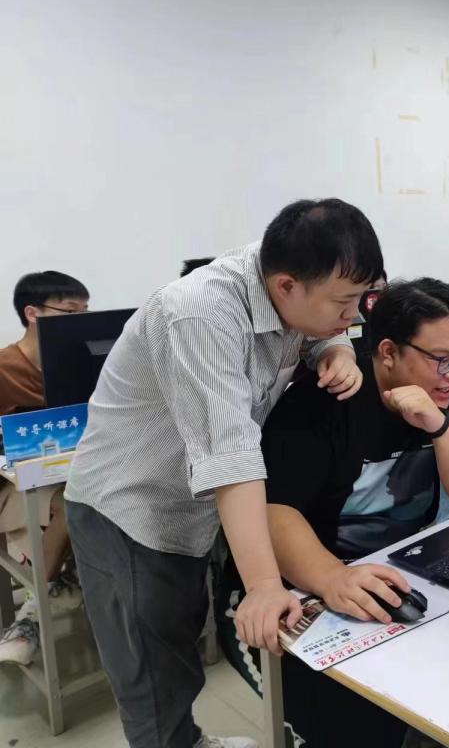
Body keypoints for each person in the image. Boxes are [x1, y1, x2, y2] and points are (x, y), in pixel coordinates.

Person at [63, 198, 378, 748]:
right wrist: (264, 587)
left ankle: (188, 740)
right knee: (151, 669)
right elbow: (231, 457)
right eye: (345, 304)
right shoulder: (200, 314)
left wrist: (336, 350)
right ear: (286, 286)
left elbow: (317, 325)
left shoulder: (292, 274)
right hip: (132, 505)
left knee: (179, 637)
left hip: (193, 505)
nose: (353, 317)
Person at [216, 278, 449, 747]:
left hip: (389, 578)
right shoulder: (321, 403)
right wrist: (333, 577)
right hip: (288, 594)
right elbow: (275, 511)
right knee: (354, 727)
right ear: (388, 352)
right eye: (441, 359)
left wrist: (439, 424)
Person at [0, 272, 90, 665]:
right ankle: (31, 617)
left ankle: (79, 581)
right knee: (74, 504)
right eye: (71, 312)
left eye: (87, 312)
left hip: (73, 473)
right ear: (32, 313)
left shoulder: (82, 363)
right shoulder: (4, 368)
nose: (82, 321)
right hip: (16, 486)